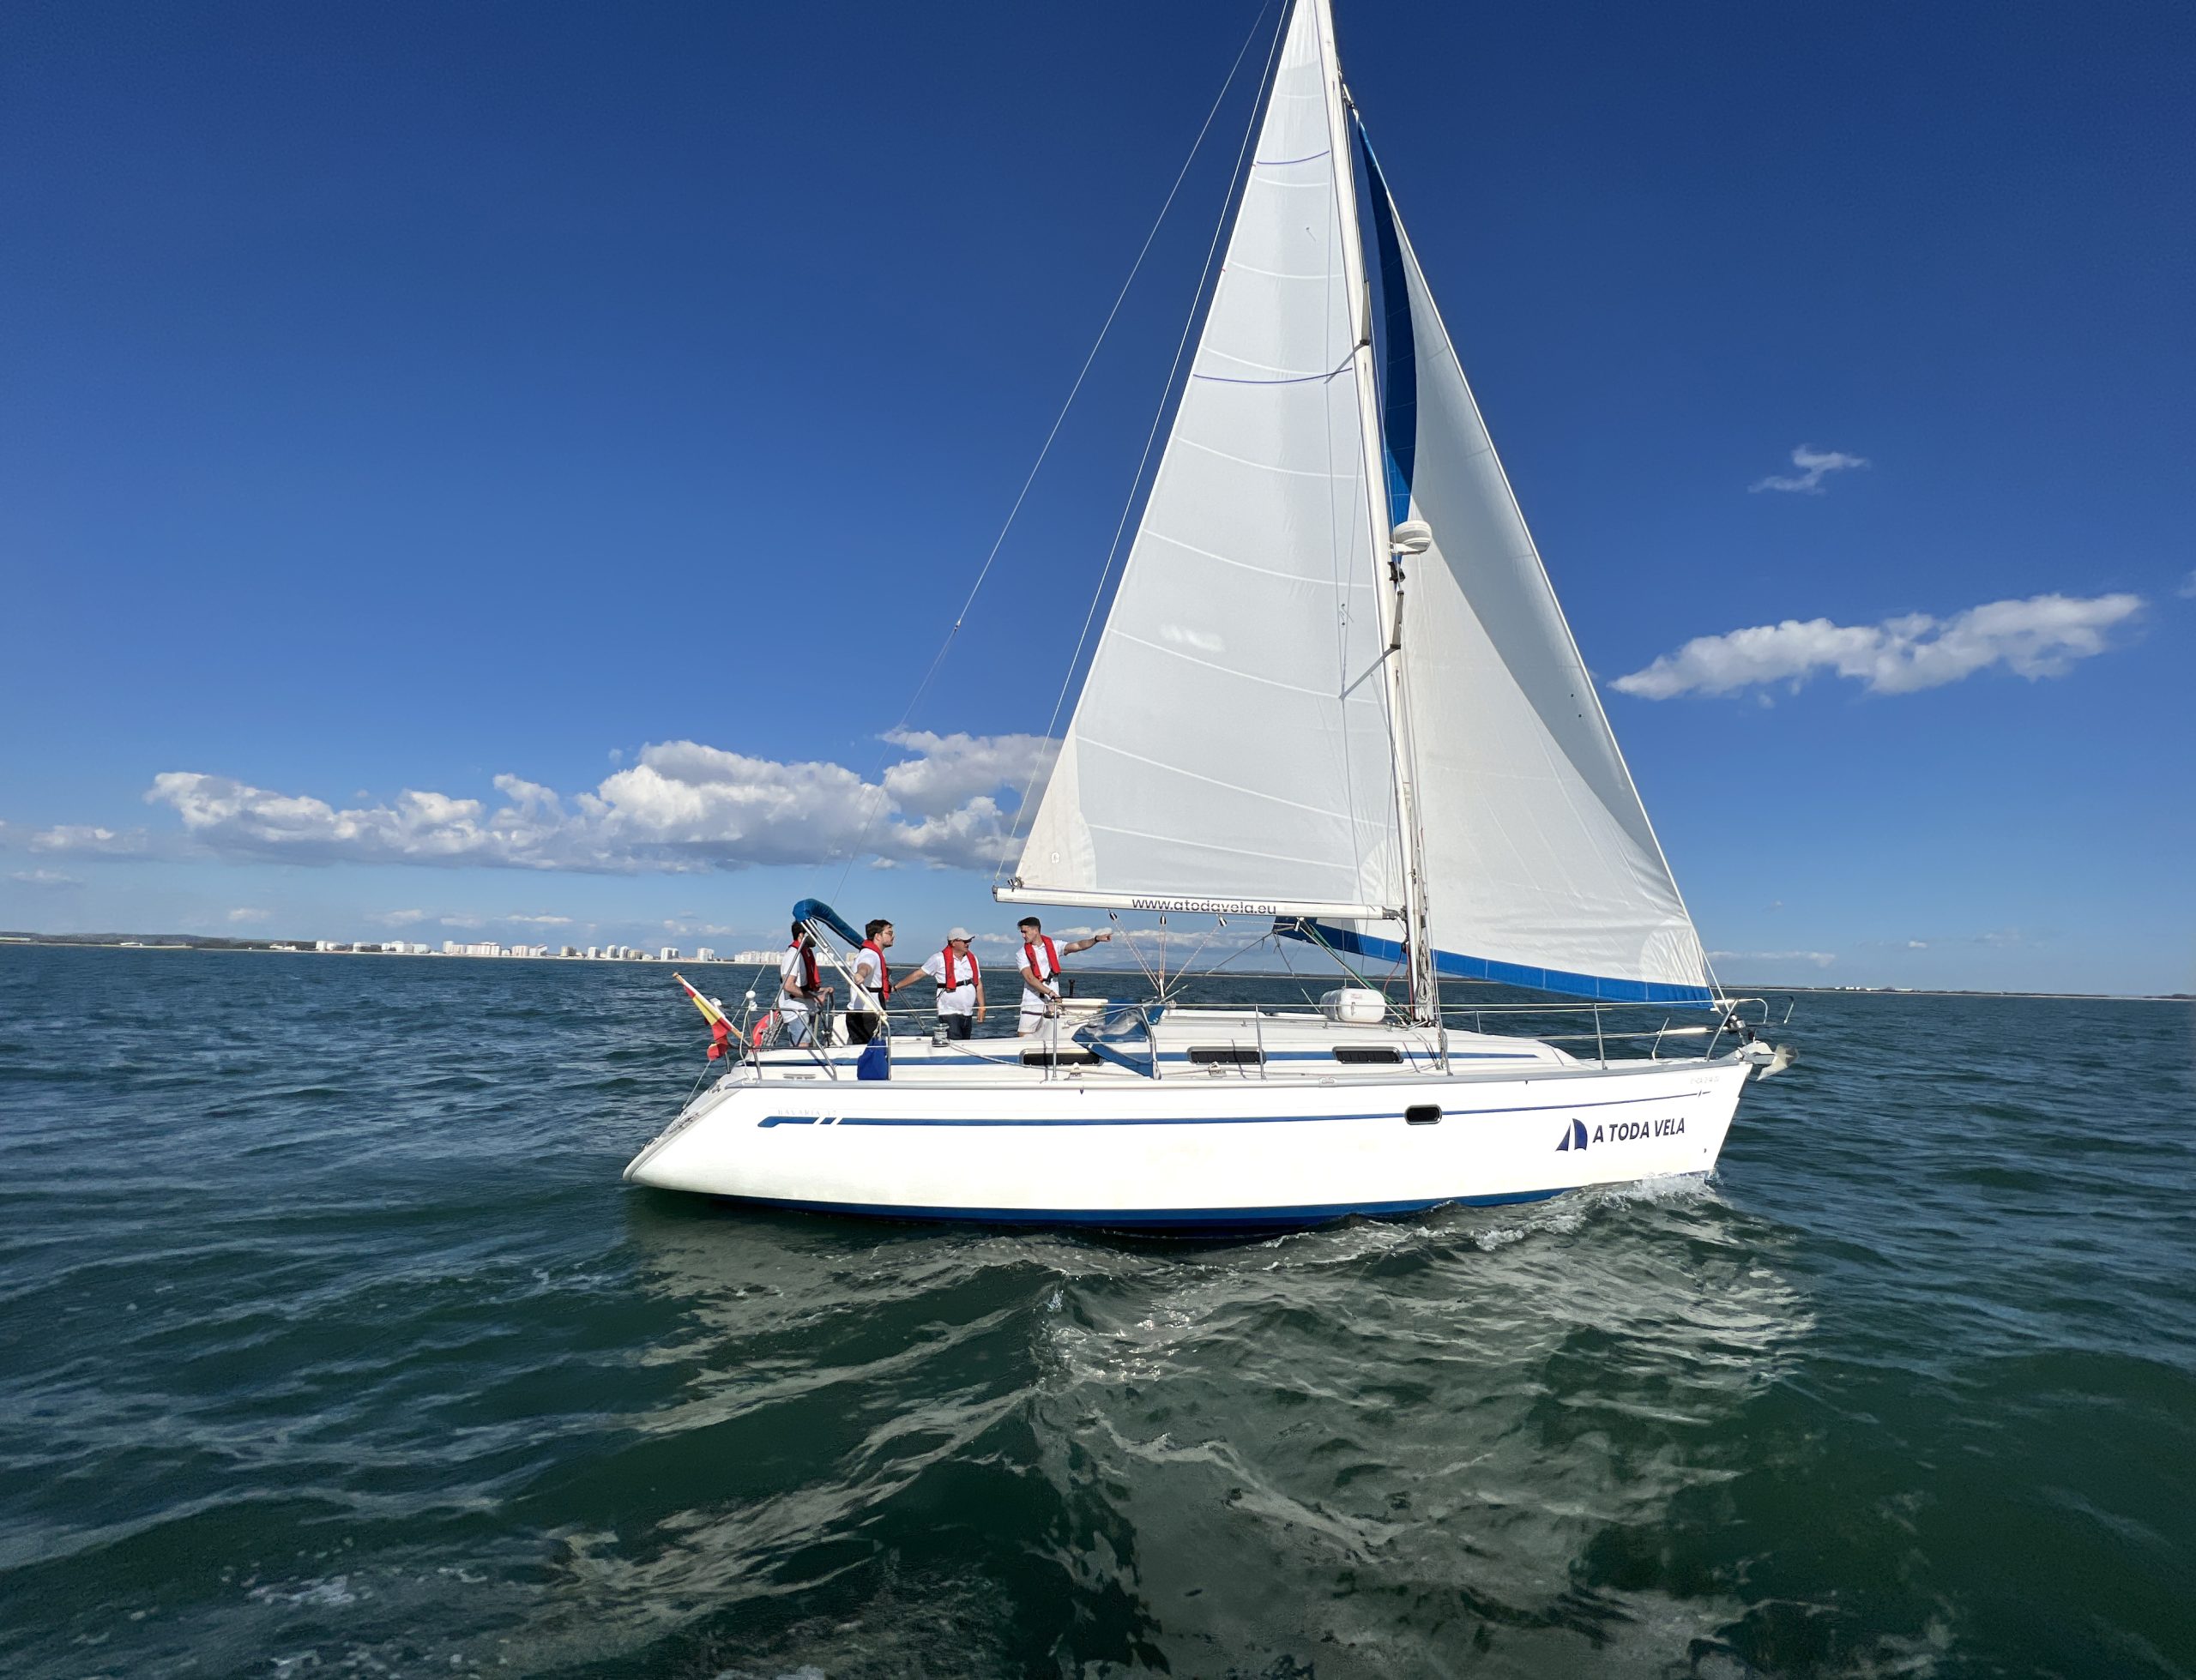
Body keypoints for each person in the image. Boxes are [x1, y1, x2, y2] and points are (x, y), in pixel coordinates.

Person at [1016, 917, 1112, 1035]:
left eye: (1025, 932)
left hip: (1053, 1002)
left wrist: (1096, 939)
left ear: (1035, 930)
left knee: (1052, 1036)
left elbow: (1078, 945)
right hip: (1032, 1002)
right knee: (1024, 1036)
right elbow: (1030, 978)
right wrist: (1050, 993)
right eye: (1022, 932)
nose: (1023, 936)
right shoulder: (1021, 953)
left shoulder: (1055, 945)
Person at [911, 927, 985, 1040]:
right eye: (965, 941)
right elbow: (919, 974)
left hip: (967, 1012)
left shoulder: (972, 959)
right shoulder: (938, 959)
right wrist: (896, 987)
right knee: (954, 1041)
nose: (968, 943)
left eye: (969, 940)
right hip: (949, 1011)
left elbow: (978, 984)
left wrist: (982, 1007)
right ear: (953, 942)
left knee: (965, 1042)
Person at [777, 922, 831, 1046]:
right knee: (803, 1046)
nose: (816, 936)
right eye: (813, 933)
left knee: (808, 1045)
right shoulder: (793, 954)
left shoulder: (804, 953)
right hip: (796, 1009)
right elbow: (788, 985)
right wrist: (814, 997)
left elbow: (803, 985)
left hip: (805, 1007)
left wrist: (822, 990)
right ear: (802, 935)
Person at [847, 918, 895, 1044]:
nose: (893, 936)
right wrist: (860, 974)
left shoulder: (871, 953)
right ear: (878, 936)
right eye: (889, 933)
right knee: (867, 1048)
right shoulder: (870, 954)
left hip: (866, 1012)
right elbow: (865, 966)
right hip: (866, 1014)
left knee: (867, 1047)